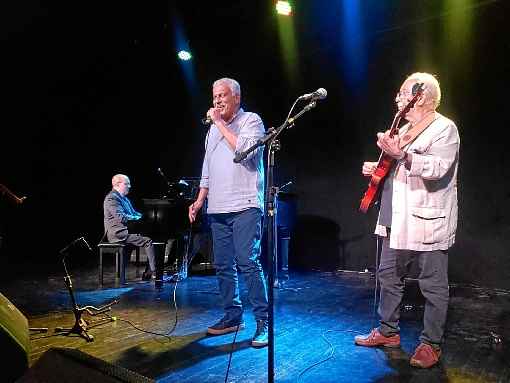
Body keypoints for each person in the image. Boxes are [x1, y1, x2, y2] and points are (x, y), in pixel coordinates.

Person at [354, 72, 460, 369]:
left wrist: (401, 154)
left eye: (403, 92)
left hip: (427, 219)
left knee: (432, 284)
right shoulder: (406, 129)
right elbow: (394, 166)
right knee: (388, 276)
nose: (397, 97)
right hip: (395, 217)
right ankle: (388, 332)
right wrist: (375, 168)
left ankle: (431, 344)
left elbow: (437, 167)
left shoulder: (444, 128)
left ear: (421, 97)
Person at [189, 77, 269, 347]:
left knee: (248, 262)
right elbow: (207, 167)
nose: (217, 101)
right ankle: (233, 316)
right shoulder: (212, 131)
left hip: (245, 204)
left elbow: (244, 152)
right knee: (223, 266)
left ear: (236, 96)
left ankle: (263, 321)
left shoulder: (251, 121)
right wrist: (200, 200)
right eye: (214, 97)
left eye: (223, 96)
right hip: (218, 207)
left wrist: (220, 123)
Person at [103, 174, 156, 280]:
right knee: (148, 241)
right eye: (127, 184)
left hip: (127, 231)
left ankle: (149, 271)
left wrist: (142, 216)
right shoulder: (111, 198)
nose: (130, 186)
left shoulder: (124, 199)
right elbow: (121, 217)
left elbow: (133, 213)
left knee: (152, 237)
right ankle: (155, 272)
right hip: (118, 233)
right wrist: (137, 218)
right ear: (118, 184)